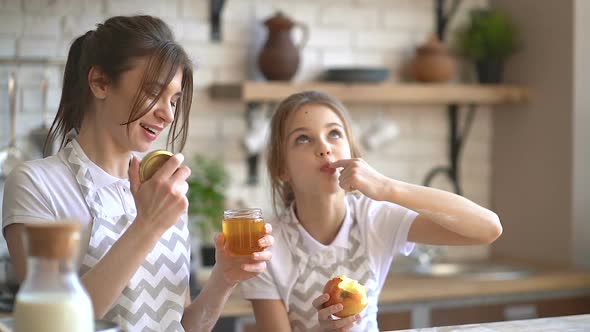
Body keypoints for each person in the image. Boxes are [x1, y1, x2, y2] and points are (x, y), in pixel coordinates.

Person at [2, 15, 273, 332]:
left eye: (174, 100)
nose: (168, 114)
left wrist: (224, 278)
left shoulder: (162, 190)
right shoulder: (36, 184)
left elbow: (181, 324)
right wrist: (147, 225)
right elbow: (50, 327)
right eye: (153, 92)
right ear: (100, 82)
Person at [240, 90, 502, 332]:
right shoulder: (264, 248)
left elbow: (488, 228)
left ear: (352, 153)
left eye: (334, 133)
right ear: (281, 169)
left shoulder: (374, 218)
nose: (324, 147)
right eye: (303, 138)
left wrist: (387, 187)